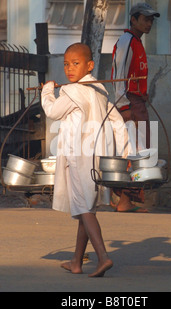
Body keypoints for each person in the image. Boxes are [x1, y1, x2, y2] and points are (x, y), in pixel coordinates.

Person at [41, 43, 129, 277]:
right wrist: (125, 152)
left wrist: (47, 91)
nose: (69, 69)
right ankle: (76, 261)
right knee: (86, 207)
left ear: (89, 65)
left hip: (79, 157)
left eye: (76, 64)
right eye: (66, 64)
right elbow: (118, 122)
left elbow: (52, 111)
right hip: (97, 156)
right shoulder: (100, 91)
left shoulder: (73, 91)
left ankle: (103, 257)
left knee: (84, 207)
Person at [111, 2, 160, 213]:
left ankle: (125, 199)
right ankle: (124, 200)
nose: (149, 23)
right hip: (130, 102)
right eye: (145, 19)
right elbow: (118, 76)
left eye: (151, 20)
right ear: (133, 19)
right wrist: (123, 107)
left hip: (137, 101)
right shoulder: (127, 41)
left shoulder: (137, 42)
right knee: (134, 151)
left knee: (139, 149)